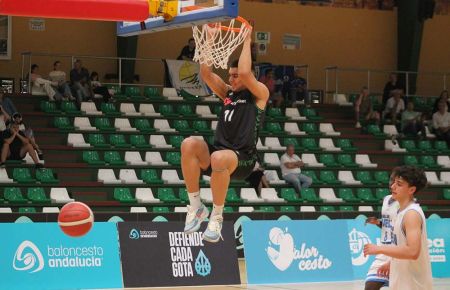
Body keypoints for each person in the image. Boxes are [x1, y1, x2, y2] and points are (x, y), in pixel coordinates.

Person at [181, 30, 269, 243]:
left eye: (235, 75)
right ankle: (196, 206)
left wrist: (248, 40)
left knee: (219, 158)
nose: (231, 78)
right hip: (219, 157)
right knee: (189, 144)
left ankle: (217, 217)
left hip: (243, 159)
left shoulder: (259, 94)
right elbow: (206, 73)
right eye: (230, 74)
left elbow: (247, 74)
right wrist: (210, 39)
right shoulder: (228, 93)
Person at [364, 166, 432, 290]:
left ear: (411, 189)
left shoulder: (411, 214)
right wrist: (392, 263)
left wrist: (379, 248)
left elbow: (412, 251)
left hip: (413, 284)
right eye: (394, 182)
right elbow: (401, 245)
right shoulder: (400, 212)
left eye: (399, 184)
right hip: (403, 280)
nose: (393, 186)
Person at [364, 169, 399, 290]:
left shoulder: (407, 205)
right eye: (391, 180)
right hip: (384, 250)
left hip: (399, 251)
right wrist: (378, 222)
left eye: (397, 182)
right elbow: (389, 224)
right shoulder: (386, 199)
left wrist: (393, 261)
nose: (392, 184)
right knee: (370, 286)